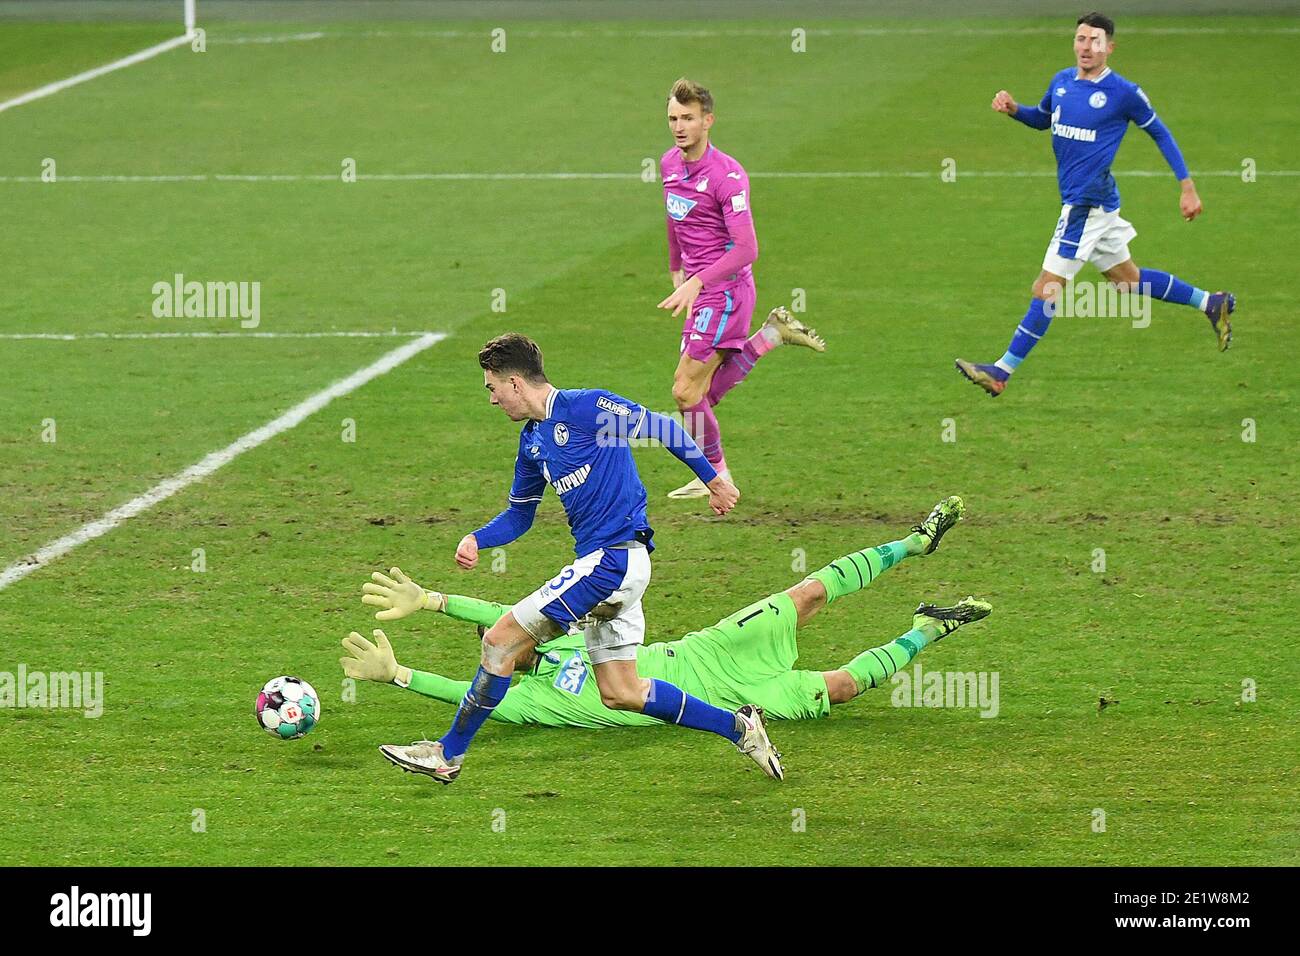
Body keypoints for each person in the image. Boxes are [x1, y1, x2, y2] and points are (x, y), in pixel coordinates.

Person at [359, 332, 790, 784]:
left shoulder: (587, 408)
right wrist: (478, 539)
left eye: (492, 388)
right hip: (614, 569)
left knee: (498, 642)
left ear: (515, 383)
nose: (491, 400)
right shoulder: (532, 443)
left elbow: (661, 427)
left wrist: (713, 479)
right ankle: (740, 728)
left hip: (613, 560)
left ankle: (447, 754)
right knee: (622, 693)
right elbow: (520, 516)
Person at [346, 497, 986, 765]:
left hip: (711, 648)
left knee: (810, 592)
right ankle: (928, 630)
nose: (512, 647)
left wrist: (432, 600)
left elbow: (498, 618)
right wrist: (399, 676)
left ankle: (915, 542)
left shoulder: (568, 640)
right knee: (841, 688)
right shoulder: (532, 701)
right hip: (736, 700)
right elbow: (468, 692)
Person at [955, 11, 1235, 398]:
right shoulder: (1062, 82)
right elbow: (1044, 119)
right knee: (1128, 281)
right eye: (1081, 39)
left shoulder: (1124, 93)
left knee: (1046, 289)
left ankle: (1002, 371)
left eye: (1095, 41)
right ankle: (1212, 302)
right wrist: (1016, 110)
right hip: (1100, 202)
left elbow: (1161, 134)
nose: (1087, 47)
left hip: (1084, 207)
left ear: (1110, 47)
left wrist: (1187, 186)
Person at [656, 76, 826, 495]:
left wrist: (697, 280)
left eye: (689, 118)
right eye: (673, 118)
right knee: (699, 397)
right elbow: (674, 216)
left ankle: (717, 477)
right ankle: (770, 335)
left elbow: (747, 248)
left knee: (684, 391)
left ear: (708, 120)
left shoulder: (727, 175)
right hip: (699, 289)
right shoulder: (668, 164)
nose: (679, 126)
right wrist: (676, 265)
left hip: (726, 291)